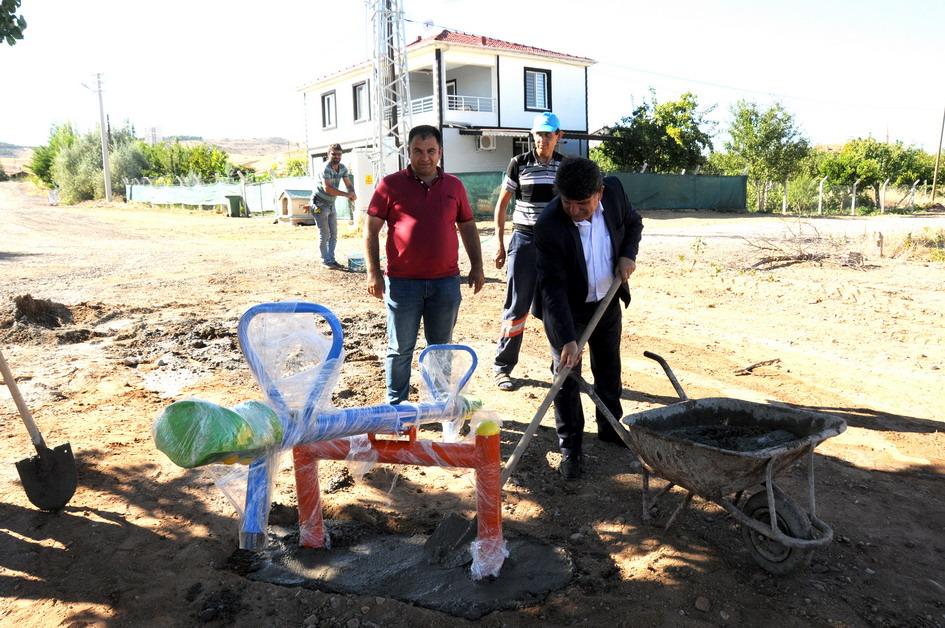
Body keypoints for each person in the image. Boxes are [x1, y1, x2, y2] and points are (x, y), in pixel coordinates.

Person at [534, 157, 643, 480]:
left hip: (606, 301)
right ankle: (571, 449)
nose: (574, 211)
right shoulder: (549, 225)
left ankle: (610, 427)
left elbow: (634, 223)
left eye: (582, 204)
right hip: (567, 309)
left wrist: (627, 255)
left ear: (600, 192)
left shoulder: (616, 193)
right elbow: (551, 287)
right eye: (568, 202)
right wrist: (567, 337)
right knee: (566, 378)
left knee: (608, 367)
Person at [364, 125, 485, 404]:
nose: (425, 158)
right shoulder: (389, 185)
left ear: (440, 152)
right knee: (400, 349)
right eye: (418, 151)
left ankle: (439, 405)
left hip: (445, 283)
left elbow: (467, 226)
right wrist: (373, 272)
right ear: (408, 152)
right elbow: (370, 230)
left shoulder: (454, 186)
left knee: (440, 349)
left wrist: (477, 266)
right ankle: (397, 408)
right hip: (402, 284)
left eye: (431, 151)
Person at [492, 112, 565, 392]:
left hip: (555, 245)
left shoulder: (565, 167)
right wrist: (500, 244)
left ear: (558, 136)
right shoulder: (519, 164)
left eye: (548, 134)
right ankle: (502, 367)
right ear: (531, 135)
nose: (542, 139)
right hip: (524, 241)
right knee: (517, 305)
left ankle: (559, 369)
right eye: (538, 134)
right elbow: (502, 205)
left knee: (556, 305)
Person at [312, 143, 357, 269]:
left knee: (334, 234)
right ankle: (325, 260)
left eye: (339, 154)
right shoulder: (325, 168)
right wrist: (347, 195)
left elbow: (348, 183)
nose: (337, 156)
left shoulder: (342, 168)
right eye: (334, 154)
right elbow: (328, 189)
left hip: (331, 204)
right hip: (319, 203)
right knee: (325, 234)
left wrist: (352, 192)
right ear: (328, 154)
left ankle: (331, 259)